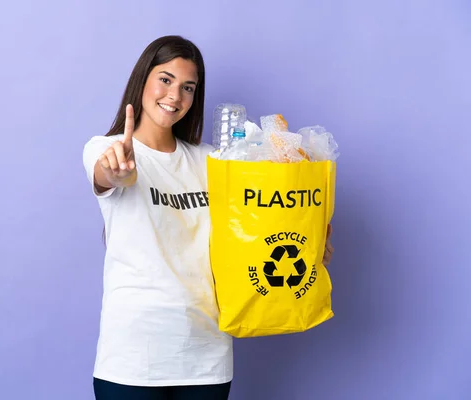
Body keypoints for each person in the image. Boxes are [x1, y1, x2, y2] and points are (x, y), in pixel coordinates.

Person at [82, 35, 334, 400]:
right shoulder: (106, 150)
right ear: (143, 80)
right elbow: (107, 175)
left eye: (188, 87)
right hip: (135, 355)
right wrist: (116, 173)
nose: (175, 96)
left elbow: (249, 231)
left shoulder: (212, 162)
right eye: (165, 79)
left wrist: (307, 247)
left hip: (206, 354)